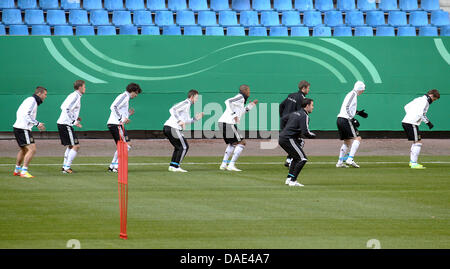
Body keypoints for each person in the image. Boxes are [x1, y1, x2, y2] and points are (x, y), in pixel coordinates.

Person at [218, 84, 258, 172]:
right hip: (228, 122)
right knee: (242, 142)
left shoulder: (241, 100)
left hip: (223, 122)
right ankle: (231, 165)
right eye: (249, 90)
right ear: (245, 91)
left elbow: (241, 112)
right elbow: (227, 101)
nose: (249, 92)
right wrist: (233, 115)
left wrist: (251, 105)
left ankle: (224, 164)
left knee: (233, 143)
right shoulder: (240, 97)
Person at [163, 90, 204, 172]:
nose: (197, 100)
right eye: (196, 98)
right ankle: (176, 166)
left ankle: (172, 166)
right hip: (173, 127)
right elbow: (172, 109)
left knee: (178, 147)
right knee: (184, 147)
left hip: (168, 127)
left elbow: (186, 120)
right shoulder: (186, 103)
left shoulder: (187, 105)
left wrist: (195, 119)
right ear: (191, 97)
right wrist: (179, 121)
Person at [278, 98, 316, 187]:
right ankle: (293, 181)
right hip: (288, 139)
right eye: (312, 105)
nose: (313, 107)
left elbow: (283, 119)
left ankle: (289, 179)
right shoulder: (304, 116)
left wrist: (285, 130)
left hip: (284, 138)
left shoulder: (295, 113)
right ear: (307, 106)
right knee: (302, 159)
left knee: (296, 158)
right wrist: (313, 135)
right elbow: (305, 132)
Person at [12, 86, 47, 178]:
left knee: (24, 150)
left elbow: (20, 113)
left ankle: (17, 170)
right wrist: (37, 123)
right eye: (45, 94)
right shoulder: (32, 101)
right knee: (32, 149)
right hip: (23, 128)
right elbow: (26, 114)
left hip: (18, 127)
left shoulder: (30, 100)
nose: (45, 96)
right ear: (39, 94)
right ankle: (24, 172)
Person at [107, 83, 142, 172]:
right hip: (116, 124)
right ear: (132, 91)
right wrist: (121, 119)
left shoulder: (125, 97)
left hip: (115, 124)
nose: (136, 95)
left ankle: (112, 166)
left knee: (122, 146)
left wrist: (128, 114)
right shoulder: (124, 96)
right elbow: (113, 107)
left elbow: (119, 110)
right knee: (126, 145)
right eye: (136, 93)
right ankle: (116, 167)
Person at [401, 89, 440, 169]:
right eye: (434, 99)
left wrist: (410, 115)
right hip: (412, 123)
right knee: (418, 142)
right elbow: (420, 114)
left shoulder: (418, 99)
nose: (433, 101)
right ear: (431, 95)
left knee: (416, 142)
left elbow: (406, 107)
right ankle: (413, 163)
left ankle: (412, 162)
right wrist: (428, 123)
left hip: (407, 121)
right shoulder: (424, 101)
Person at [336, 81, 368, 168]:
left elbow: (348, 107)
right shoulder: (353, 94)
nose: (363, 91)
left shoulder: (352, 94)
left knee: (347, 141)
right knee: (358, 138)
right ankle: (350, 159)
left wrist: (357, 112)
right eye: (363, 90)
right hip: (346, 119)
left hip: (340, 119)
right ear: (360, 89)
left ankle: (339, 162)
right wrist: (352, 118)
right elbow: (347, 107)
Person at [279, 80, 311, 167]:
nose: (308, 90)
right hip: (292, 124)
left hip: (284, 123)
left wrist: (282, 117)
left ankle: (289, 159)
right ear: (303, 88)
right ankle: (291, 160)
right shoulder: (303, 99)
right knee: (300, 142)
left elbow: (281, 105)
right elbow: (300, 113)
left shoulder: (291, 95)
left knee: (294, 141)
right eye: (308, 88)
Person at [56, 80, 85, 174]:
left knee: (70, 146)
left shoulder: (73, 95)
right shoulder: (76, 96)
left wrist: (75, 117)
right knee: (76, 146)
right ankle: (67, 168)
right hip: (66, 124)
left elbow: (62, 107)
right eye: (84, 87)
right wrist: (74, 121)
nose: (85, 88)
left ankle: (65, 166)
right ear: (80, 87)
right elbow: (66, 108)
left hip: (63, 123)